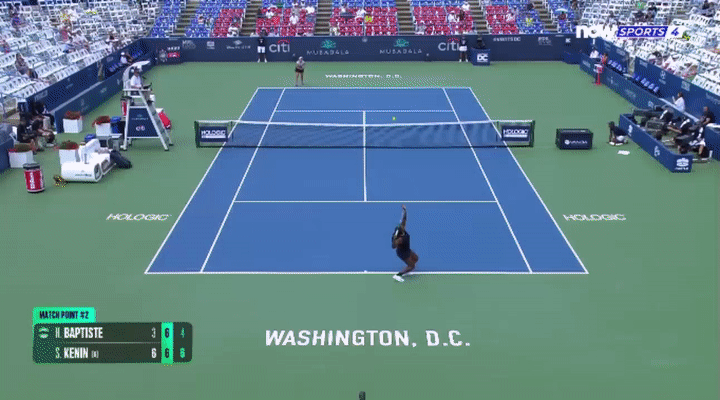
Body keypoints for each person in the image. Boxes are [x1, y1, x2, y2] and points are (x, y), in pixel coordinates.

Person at [392, 205, 419, 283]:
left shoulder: (402, 231)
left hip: (407, 249)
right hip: (403, 253)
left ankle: (407, 268)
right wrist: (395, 240)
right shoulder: (399, 239)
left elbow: (404, 219)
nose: (403, 226)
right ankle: (398, 275)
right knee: (412, 266)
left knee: (416, 258)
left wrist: (404, 211)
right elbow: (393, 246)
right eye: (402, 227)